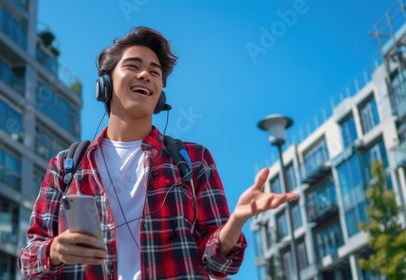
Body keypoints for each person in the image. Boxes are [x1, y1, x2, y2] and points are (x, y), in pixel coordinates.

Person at [18, 26, 297, 279]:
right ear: (105, 84)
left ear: (161, 93)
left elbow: (219, 265)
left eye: (155, 72)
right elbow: (29, 263)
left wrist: (236, 222)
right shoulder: (67, 166)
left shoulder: (192, 160)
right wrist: (54, 251)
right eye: (133, 66)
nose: (146, 75)